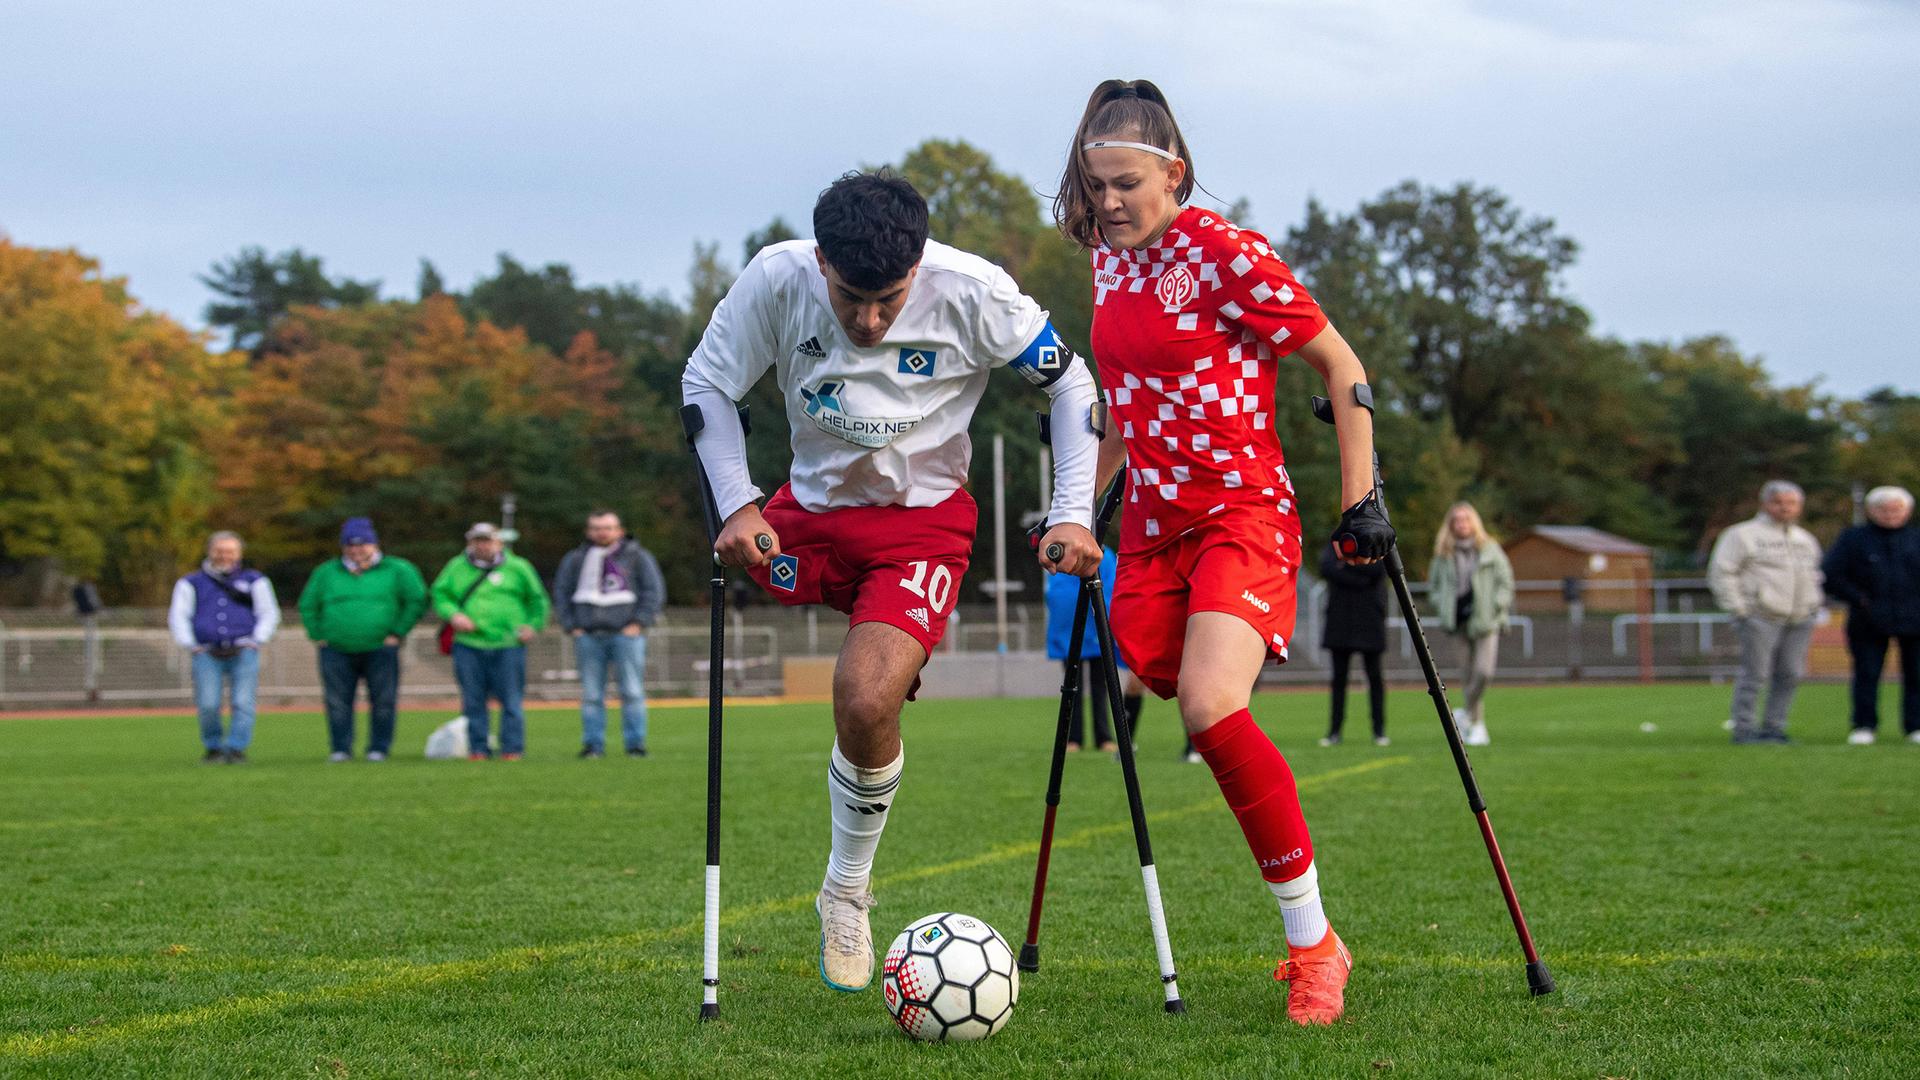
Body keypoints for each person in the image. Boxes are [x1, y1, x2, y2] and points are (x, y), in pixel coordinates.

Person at [682, 170, 1102, 994]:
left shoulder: (974, 291)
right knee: (856, 684)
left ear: (918, 265)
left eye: (889, 300)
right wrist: (735, 502)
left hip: (921, 525)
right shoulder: (776, 277)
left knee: (866, 698)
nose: (869, 322)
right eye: (850, 298)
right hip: (806, 518)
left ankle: (845, 890)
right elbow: (706, 383)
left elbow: (1070, 382)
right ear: (821, 262)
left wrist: (1071, 513)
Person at [1055, 79, 1396, 1026]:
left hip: (1242, 512)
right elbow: (1120, 406)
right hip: (1150, 527)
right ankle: (1311, 937)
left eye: (1126, 184)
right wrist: (1075, 510)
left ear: (1175, 174)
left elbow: (1342, 365)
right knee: (1168, 688)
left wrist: (1360, 498)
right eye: (1096, 186)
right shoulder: (1107, 260)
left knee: (1211, 707)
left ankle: (1315, 946)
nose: (1108, 202)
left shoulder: (1227, 253)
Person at [298, 517, 427, 762]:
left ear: (374, 544)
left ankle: (378, 748)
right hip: (336, 648)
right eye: (350, 545)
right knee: (337, 702)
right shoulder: (326, 572)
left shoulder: (398, 569)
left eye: (362, 544)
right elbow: (308, 605)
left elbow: (416, 601)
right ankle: (340, 749)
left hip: (381, 647)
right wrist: (318, 635)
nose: (356, 550)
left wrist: (397, 632)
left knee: (384, 700)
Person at [1708, 480, 1824, 744]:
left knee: (1790, 674)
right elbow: (1722, 572)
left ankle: (1774, 728)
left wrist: (1813, 605)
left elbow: (1816, 575)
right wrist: (1739, 608)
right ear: (1764, 504)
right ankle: (1744, 729)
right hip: (1760, 616)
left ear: (1799, 506)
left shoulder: (1805, 540)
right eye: (1778, 502)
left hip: (1800, 617)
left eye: (1791, 503)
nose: (1785, 508)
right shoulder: (1742, 535)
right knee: (1755, 674)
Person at [431, 523, 550, 761]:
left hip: (508, 643)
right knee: (473, 700)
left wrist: (533, 625)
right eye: (478, 540)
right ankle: (478, 748)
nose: (482, 545)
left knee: (511, 700)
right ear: (470, 542)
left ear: (499, 542)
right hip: (469, 644)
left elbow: (538, 600)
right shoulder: (456, 567)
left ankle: (512, 749)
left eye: (487, 540)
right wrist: (454, 614)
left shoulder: (518, 567)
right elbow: (439, 594)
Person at [553, 510, 667, 758]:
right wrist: (572, 625)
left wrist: (638, 623)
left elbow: (653, 591)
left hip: (626, 635)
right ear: (588, 531)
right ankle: (593, 746)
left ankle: (635, 745)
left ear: (619, 531)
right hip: (588, 635)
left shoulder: (637, 557)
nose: (602, 532)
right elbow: (561, 592)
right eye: (596, 528)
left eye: (607, 527)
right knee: (592, 694)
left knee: (632, 692)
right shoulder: (575, 559)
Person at [168, 531, 279, 763]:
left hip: (243, 650)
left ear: (239, 554)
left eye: (230, 551)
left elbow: (268, 612)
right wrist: (190, 644)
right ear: (210, 551)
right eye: (219, 551)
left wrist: (257, 640)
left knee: (243, 702)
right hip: (206, 651)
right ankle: (214, 747)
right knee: (208, 704)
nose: (224, 556)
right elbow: (179, 615)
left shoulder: (255, 580)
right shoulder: (191, 582)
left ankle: (236, 748)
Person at [1820, 485, 1918, 744]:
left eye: (1897, 509)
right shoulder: (1853, 539)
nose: (1891, 514)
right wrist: (1859, 599)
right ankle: (1864, 725)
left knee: (1917, 675)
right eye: (1884, 509)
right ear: (1871, 511)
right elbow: (1832, 575)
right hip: (1868, 620)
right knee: (1867, 673)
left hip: (1914, 620)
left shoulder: (1915, 539)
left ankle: (1915, 726)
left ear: (1907, 511)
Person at [1426, 503, 1513, 748]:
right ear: (1451, 525)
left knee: (1484, 672)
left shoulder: (1490, 549)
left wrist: (1497, 605)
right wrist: (1441, 605)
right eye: (1457, 520)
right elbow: (1434, 587)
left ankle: (1466, 712)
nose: (1462, 524)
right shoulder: (1444, 553)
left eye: (1466, 519)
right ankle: (1477, 725)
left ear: (1474, 522)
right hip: (1458, 620)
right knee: (1467, 675)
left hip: (1486, 619)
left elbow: (1505, 581)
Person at [1044, 545, 1141, 752]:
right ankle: (1073, 738)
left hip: (1098, 631)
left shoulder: (1103, 555)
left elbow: (1110, 589)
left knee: (1100, 686)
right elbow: (1058, 593)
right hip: (1070, 631)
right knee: (1072, 687)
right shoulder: (1065, 552)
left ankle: (1103, 737)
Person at [1318, 542, 1389, 747]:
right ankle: (1334, 731)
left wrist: (1345, 567)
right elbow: (1327, 568)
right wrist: (1360, 571)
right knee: (1338, 679)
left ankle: (1379, 731)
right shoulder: (1336, 543)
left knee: (1375, 677)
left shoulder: (1373, 542)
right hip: (1340, 620)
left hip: (1369, 619)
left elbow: (1377, 570)